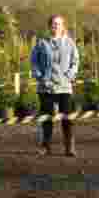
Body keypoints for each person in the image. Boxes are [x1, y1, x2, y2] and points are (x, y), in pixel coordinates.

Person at [30, 15, 80, 157]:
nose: (56, 26)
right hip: (46, 87)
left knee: (67, 118)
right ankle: (46, 147)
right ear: (49, 26)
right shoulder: (41, 43)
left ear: (63, 26)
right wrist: (39, 76)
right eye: (53, 24)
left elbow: (75, 61)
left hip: (64, 87)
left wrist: (70, 75)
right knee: (47, 118)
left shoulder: (69, 43)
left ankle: (69, 147)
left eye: (58, 24)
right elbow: (34, 62)